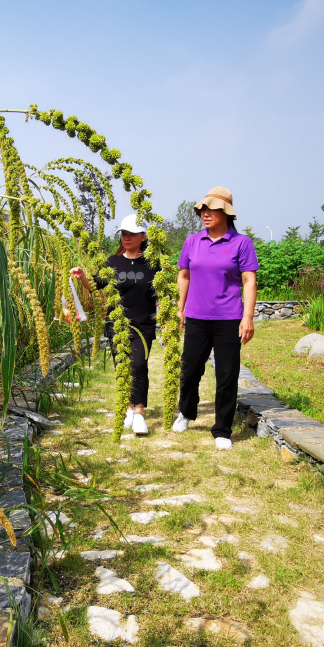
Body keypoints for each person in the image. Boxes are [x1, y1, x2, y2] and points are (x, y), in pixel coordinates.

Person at [172, 186, 258, 450]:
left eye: (211, 210)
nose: (205, 214)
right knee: (189, 370)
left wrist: (248, 318)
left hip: (229, 319)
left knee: (227, 375)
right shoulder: (192, 242)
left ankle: (222, 429)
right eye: (202, 210)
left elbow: (249, 280)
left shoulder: (241, 243)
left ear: (226, 213)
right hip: (197, 317)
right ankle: (186, 412)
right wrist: (180, 308)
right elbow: (184, 275)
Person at [70, 215, 158, 435]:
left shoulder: (152, 264)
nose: (126, 238)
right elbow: (94, 285)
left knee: (138, 365)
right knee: (123, 367)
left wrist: (170, 317)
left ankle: (139, 413)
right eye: (123, 234)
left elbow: (162, 293)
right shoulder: (112, 262)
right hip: (116, 324)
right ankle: (128, 408)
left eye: (131, 234)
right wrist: (81, 276)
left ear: (143, 236)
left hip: (144, 324)